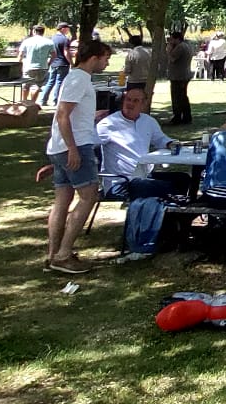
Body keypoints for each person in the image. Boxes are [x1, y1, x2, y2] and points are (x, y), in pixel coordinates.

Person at [43, 39, 112, 274]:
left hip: (62, 145)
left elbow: (72, 113)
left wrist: (91, 117)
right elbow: (62, 115)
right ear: (94, 57)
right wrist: (72, 148)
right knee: (88, 196)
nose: (107, 63)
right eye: (106, 58)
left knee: (62, 200)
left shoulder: (76, 78)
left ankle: (53, 255)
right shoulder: (78, 78)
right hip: (74, 146)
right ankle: (63, 255)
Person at [93, 85, 179, 262]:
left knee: (183, 180)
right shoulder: (108, 124)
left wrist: (170, 144)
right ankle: (170, 215)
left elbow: (160, 139)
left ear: (144, 104)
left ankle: (175, 229)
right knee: (163, 188)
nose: (130, 104)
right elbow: (88, 145)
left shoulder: (148, 121)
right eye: (128, 100)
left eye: (135, 101)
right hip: (120, 182)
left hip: (145, 177)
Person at [18, 25, 55, 104]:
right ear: (43, 32)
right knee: (37, 86)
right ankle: (32, 103)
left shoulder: (27, 41)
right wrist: (48, 63)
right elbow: (54, 55)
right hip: (42, 67)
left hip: (29, 67)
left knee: (26, 85)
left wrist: (19, 64)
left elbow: (21, 54)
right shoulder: (49, 42)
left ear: (34, 31)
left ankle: (23, 102)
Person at [165, 30, 196, 125]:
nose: (170, 41)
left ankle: (177, 117)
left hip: (178, 76)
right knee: (183, 97)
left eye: (171, 39)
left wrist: (169, 49)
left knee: (177, 97)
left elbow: (172, 58)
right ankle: (186, 116)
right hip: (184, 75)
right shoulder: (187, 46)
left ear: (176, 39)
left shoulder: (180, 47)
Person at [43, 22, 76, 106]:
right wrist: (71, 63)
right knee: (59, 82)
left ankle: (43, 99)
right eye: (67, 28)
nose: (68, 30)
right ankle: (56, 100)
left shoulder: (52, 38)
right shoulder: (65, 39)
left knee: (50, 82)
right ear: (63, 29)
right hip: (63, 63)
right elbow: (66, 52)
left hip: (54, 63)